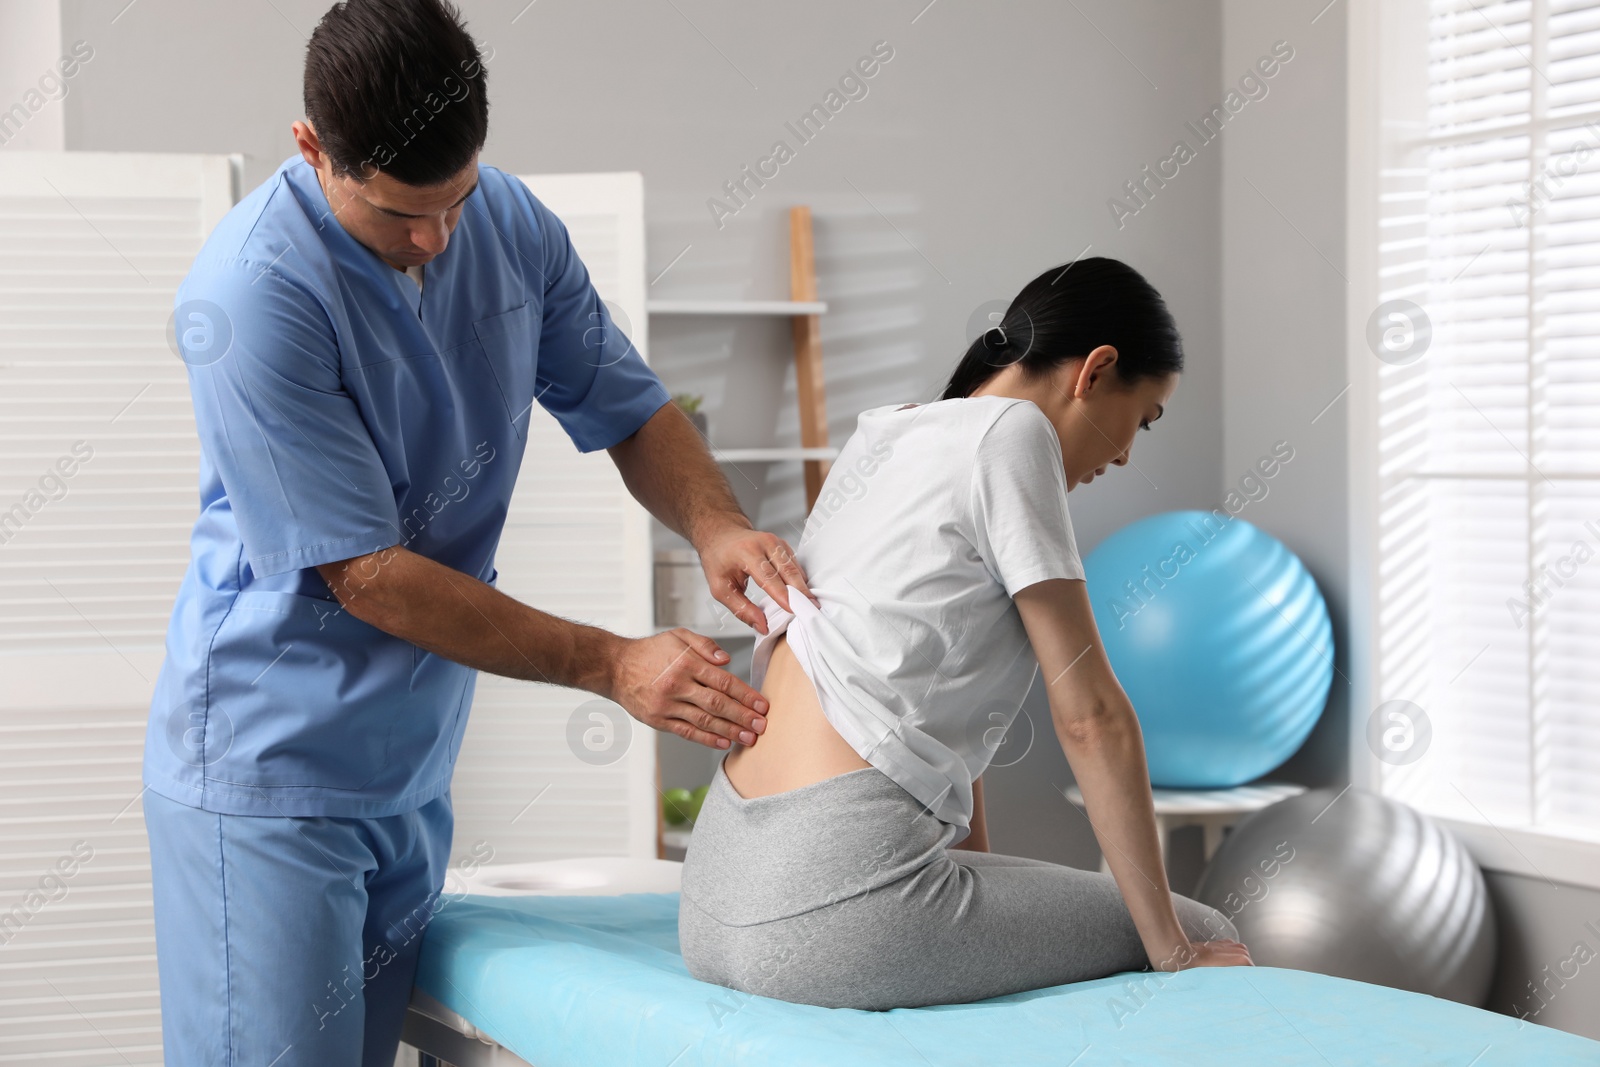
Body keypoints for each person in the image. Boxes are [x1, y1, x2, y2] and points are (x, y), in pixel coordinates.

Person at [138, 2, 810, 1064]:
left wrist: (715, 523)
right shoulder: (252, 295)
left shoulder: (507, 222)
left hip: (406, 767)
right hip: (268, 770)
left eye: (454, 198)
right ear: (312, 147)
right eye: (401, 214)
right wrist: (610, 662)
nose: (436, 239)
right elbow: (370, 575)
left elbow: (628, 405)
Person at [677, 257, 1254, 1010]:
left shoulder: (888, 435)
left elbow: (937, 716)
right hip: (825, 905)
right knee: (1202, 924)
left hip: (717, 888)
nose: (1122, 456)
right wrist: (1173, 950)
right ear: (1096, 369)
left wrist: (972, 899)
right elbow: (1091, 716)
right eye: (1139, 420)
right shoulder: (1014, 435)